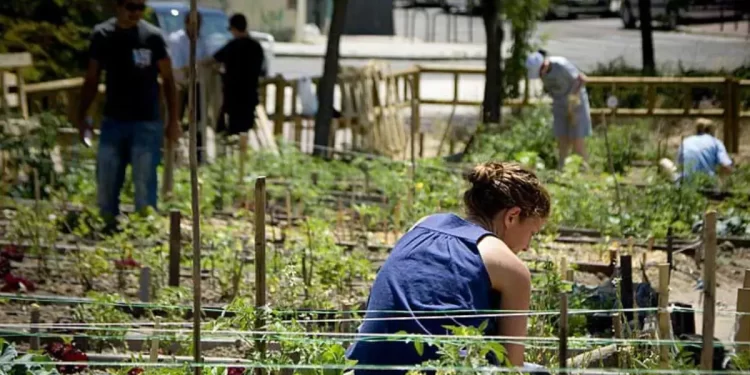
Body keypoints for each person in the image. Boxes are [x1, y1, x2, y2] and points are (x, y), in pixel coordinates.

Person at [345, 162, 551, 374]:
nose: (527, 246)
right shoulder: (510, 267)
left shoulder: (423, 224)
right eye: (532, 233)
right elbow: (512, 367)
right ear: (512, 216)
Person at [76, 0, 180, 229]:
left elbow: (169, 80)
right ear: (118, 6)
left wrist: (173, 120)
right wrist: (82, 115)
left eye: (140, 7)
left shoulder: (152, 37)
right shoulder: (102, 34)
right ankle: (108, 228)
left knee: (144, 183)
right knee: (107, 181)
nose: (135, 13)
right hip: (113, 119)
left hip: (146, 120)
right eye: (131, 7)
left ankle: (145, 231)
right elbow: (92, 78)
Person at [525, 50, 592, 170]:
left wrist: (572, 100)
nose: (540, 75)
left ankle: (584, 170)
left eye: (540, 72)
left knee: (577, 139)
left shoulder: (560, 64)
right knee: (562, 138)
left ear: (544, 65)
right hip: (559, 106)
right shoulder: (542, 74)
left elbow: (581, 79)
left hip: (576, 105)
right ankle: (561, 169)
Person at [167, 11, 212, 163]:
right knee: (175, 118)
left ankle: (198, 156)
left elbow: (206, 60)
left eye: (198, 23)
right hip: (179, 85)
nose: (196, 27)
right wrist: (195, 66)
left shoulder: (202, 40)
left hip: (197, 84)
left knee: (198, 120)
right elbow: (178, 65)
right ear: (186, 23)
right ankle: (171, 155)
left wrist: (200, 66)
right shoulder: (176, 39)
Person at [212, 13, 266, 137]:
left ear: (234, 29)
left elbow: (214, 59)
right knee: (246, 129)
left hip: (233, 96)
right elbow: (262, 70)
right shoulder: (256, 47)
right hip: (250, 95)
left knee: (233, 130)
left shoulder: (232, 46)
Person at [659, 118, 733, 185]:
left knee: (663, 162)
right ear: (712, 131)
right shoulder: (716, 142)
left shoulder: (686, 141)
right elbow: (726, 166)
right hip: (706, 183)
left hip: (683, 183)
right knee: (725, 169)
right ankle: (719, 190)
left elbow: (679, 165)